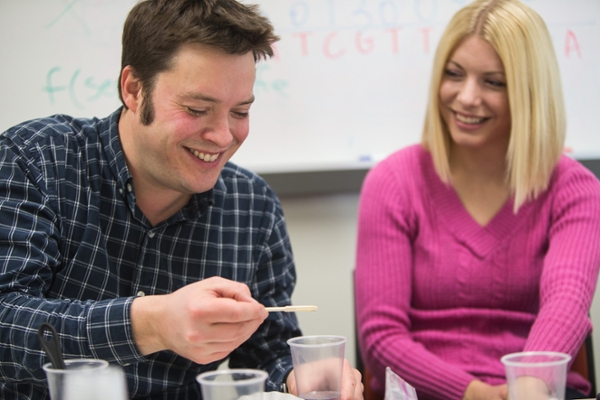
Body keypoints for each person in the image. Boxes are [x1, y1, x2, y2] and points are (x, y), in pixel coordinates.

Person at [0, 1, 363, 399]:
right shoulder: (37, 160)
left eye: (240, 111)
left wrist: (298, 375)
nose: (223, 137)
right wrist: (151, 323)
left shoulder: (253, 207)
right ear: (134, 90)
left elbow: (266, 349)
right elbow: (7, 320)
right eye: (197, 109)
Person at [354, 0, 600, 399]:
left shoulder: (574, 189)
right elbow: (381, 338)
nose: (467, 97)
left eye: (494, 82)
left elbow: (566, 304)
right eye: (454, 74)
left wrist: (527, 387)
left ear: (529, 92)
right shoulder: (393, 181)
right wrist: (473, 393)